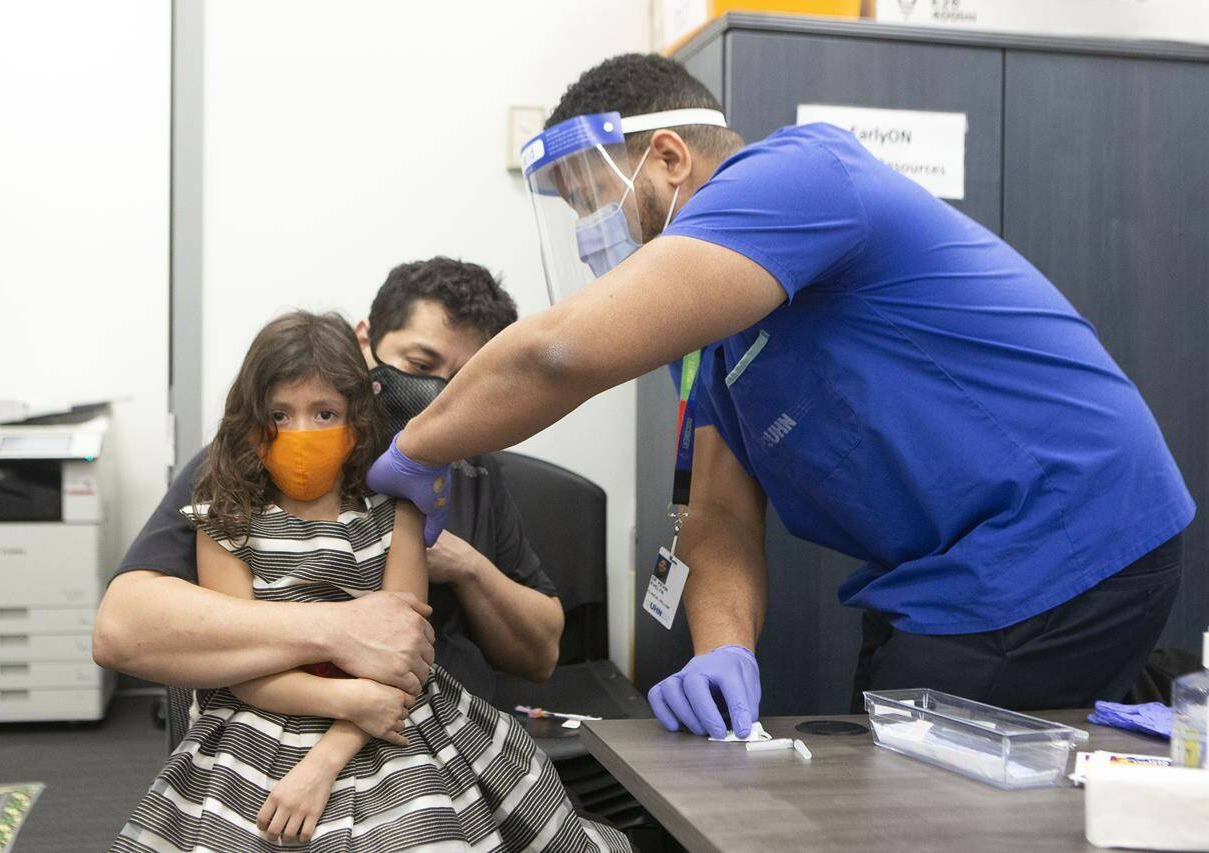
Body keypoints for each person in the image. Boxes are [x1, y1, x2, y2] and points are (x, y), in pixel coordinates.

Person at [367, 54, 1195, 740]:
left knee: (909, 800)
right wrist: (722, 649)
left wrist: (414, 447)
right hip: (952, 575)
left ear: (667, 158)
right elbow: (718, 513)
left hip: (1064, 538)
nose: (592, 232)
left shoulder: (798, 176)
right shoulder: (711, 338)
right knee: (878, 763)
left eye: (592, 202)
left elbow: (557, 352)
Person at [112, 311, 628, 852]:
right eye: (279, 415)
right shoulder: (224, 520)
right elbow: (238, 666)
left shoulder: (399, 513)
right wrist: (350, 700)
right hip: (263, 722)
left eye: (325, 413)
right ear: (249, 419)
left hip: (388, 723)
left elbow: (407, 663)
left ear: (358, 419)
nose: (301, 432)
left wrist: (329, 756)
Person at [93, 257, 564, 707]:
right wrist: (341, 628)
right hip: (283, 713)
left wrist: (467, 567)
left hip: (430, 719)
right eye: (420, 365)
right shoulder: (250, 461)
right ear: (365, 340)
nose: (438, 393)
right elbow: (121, 627)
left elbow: (541, 654)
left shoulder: (472, 468)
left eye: (464, 378)